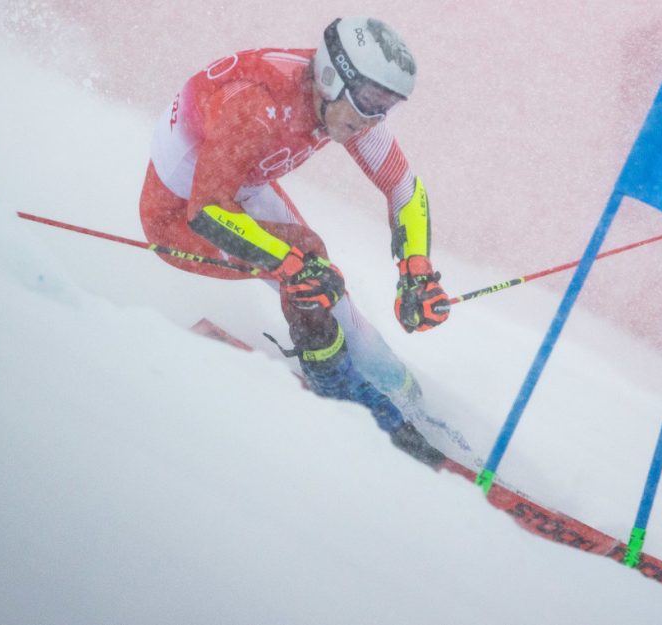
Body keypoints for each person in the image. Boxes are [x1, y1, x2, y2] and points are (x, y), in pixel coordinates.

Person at [139, 17, 450, 466]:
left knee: (315, 263)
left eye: (385, 106)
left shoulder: (340, 103)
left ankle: (405, 395)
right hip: (179, 219)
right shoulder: (258, 105)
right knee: (307, 265)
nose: (371, 119)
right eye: (367, 102)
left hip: (236, 186)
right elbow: (207, 212)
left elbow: (405, 188)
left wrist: (416, 268)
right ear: (331, 75)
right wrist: (287, 266)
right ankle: (333, 382)